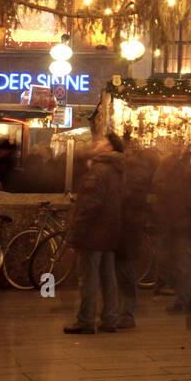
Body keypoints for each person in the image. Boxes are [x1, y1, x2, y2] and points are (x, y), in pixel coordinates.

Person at [64, 133, 125, 335]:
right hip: (110, 231)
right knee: (108, 277)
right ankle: (110, 318)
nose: (96, 144)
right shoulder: (117, 170)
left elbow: (90, 204)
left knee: (88, 278)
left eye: (101, 142)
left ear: (108, 148)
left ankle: (86, 320)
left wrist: (77, 230)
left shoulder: (99, 170)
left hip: (94, 232)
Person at [114, 146, 156, 329]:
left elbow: (128, 202)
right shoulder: (137, 175)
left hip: (126, 230)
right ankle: (122, 312)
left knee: (126, 274)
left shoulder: (133, 177)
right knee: (123, 273)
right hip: (126, 230)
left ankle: (127, 314)